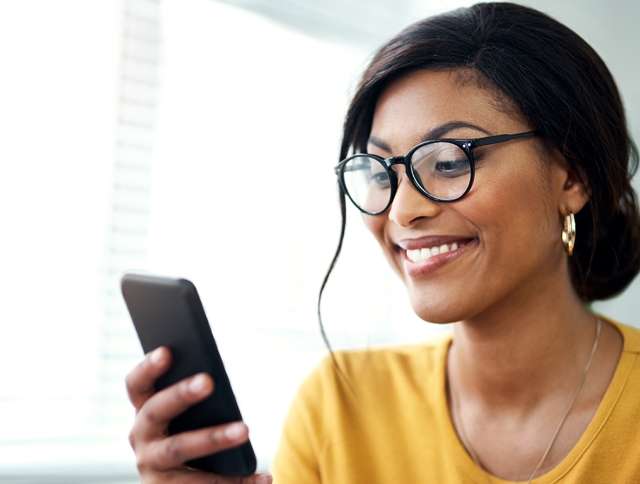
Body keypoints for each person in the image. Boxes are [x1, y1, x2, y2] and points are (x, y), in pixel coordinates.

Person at [124, 2, 640, 483]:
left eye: (448, 162)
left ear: (571, 176)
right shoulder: (339, 406)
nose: (401, 211)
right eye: (380, 170)